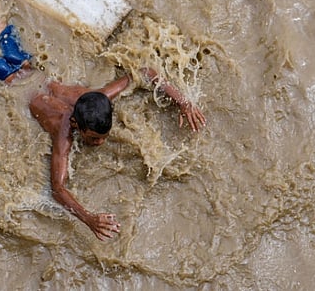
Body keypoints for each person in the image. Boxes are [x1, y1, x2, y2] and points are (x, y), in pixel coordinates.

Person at [29, 69, 206, 241]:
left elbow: (144, 72)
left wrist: (182, 102)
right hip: (18, 85)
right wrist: (89, 219)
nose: (100, 143)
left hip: (34, 72)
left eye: (104, 137)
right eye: (93, 138)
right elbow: (57, 189)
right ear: (75, 124)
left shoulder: (101, 98)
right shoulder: (63, 133)